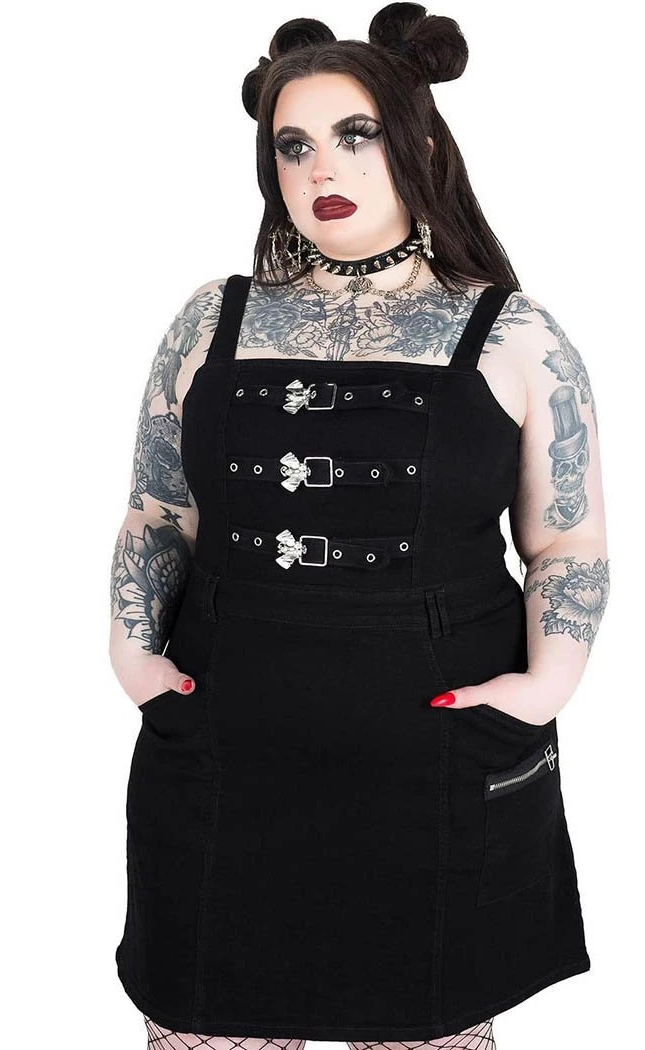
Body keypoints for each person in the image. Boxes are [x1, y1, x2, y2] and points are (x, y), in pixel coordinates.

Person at [109, 5, 610, 1049]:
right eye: (291, 145)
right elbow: (156, 513)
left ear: (418, 143)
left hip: (431, 753)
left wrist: (544, 687)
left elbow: (566, 541)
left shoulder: (514, 332)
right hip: (225, 747)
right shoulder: (208, 317)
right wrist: (132, 658)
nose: (319, 168)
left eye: (354, 134)